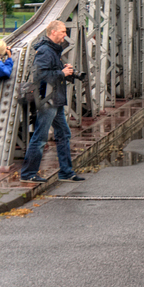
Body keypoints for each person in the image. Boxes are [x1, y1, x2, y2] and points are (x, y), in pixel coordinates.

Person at [19, 20, 86, 184]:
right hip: (47, 100)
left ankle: (66, 172)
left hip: (55, 99)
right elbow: (40, 75)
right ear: (53, 32)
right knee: (40, 137)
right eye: (63, 32)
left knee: (64, 134)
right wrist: (61, 73)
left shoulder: (53, 50)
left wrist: (66, 72)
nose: (65, 35)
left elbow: (51, 72)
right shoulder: (45, 51)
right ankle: (28, 173)